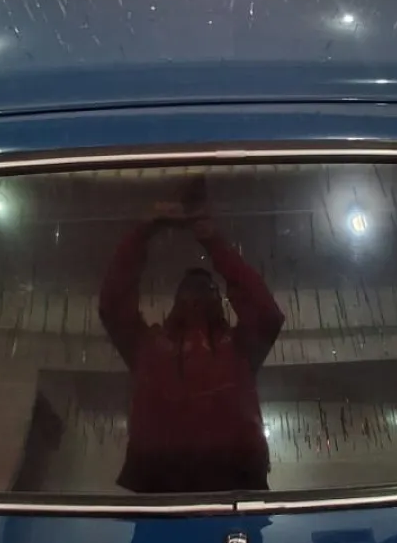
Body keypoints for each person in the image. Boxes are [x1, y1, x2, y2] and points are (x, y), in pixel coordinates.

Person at [99, 193, 284, 495]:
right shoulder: (151, 346)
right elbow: (113, 305)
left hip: (236, 491)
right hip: (159, 492)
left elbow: (266, 315)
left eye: (207, 287)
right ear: (177, 298)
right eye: (190, 287)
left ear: (219, 297)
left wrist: (213, 242)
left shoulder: (236, 347)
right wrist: (143, 231)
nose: (198, 293)